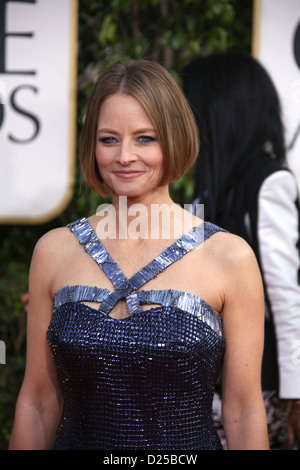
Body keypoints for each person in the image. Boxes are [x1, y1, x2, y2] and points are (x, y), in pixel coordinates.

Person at [9, 59, 268, 450]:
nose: (124, 156)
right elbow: (39, 401)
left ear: (174, 138)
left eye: (145, 138)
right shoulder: (54, 251)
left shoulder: (229, 258)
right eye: (109, 139)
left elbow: (243, 409)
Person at [182, 52, 300, 450]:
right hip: (207, 383)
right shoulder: (206, 191)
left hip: (258, 389)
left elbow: (285, 295)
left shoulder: (268, 183)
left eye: (190, 108)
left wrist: (295, 392)